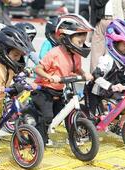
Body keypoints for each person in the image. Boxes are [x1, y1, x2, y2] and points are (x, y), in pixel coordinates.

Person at [32, 14, 94, 146]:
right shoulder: (55, 53)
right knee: (47, 116)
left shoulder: (76, 55)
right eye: (79, 41)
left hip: (59, 90)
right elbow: (38, 69)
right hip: (44, 90)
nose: (82, 44)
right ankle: (39, 141)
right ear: (66, 37)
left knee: (62, 114)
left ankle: (73, 136)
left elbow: (77, 69)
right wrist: (49, 77)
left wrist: (85, 74)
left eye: (82, 42)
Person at [0, 26, 34, 151]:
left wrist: (26, 84)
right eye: (15, 54)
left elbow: (17, 77)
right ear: (4, 50)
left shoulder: (11, 65)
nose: (18, 58)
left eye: (20, 56)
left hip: (1, 99)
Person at [89, 0, 125, 73]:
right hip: (100, 21)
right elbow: (92, 7)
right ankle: (94, 78)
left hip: (115, 22)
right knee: (96, 52)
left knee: (113, 52)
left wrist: (119, 20)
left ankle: (110, 79)